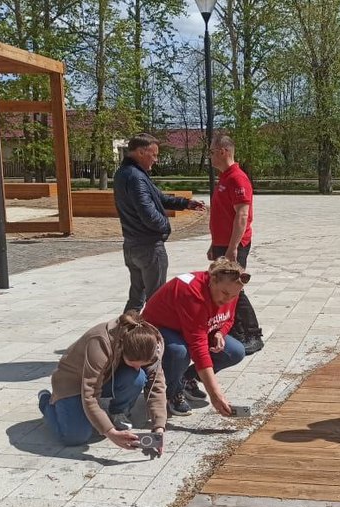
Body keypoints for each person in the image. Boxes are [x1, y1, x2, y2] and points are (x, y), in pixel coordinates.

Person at [37, 311, 167, 452]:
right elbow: (90, 394)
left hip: (106, 377)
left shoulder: (152, 344)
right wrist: (110, 432)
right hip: (72, 382)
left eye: (142, 364)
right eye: (132, 362)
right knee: (75, 437)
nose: (137, 367)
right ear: (122, 348)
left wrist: (158, 427)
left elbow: (157, 385)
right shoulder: (99, 342)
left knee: (138, 377)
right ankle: (46, 401)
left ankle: (117, 411)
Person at [141, 258, 248, 416]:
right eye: (225, 293)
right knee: (179, 352)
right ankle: (171, 391)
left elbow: (229, 317)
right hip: (159, 327)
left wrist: (220, 332)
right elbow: (199, 348)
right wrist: (215, 395)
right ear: (212, 280)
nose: (228, 299)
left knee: (235, 351)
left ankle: (185, 378)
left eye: (233, 296)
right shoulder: (192, 293)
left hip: (192, 326)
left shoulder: (232, 289)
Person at [113, 133, 206, 313]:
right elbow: (148, 215)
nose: (156, 160)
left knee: (136, 298)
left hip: (132, 246)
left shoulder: (126, 173)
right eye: (154, 155)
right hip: (149, 248)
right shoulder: (136, 177)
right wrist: (165, 227)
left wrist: (185, 203)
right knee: (157, 300)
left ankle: (124, 336)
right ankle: (151, 339)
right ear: (141, 152)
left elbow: (158, 198)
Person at [206, 134, 264, 355]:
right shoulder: (225, 177)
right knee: (223, 288)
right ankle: (237, 331)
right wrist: (215, 244)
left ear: (223, 151)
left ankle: (253, 334)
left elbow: (242, 216)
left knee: (234, 289)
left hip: (234, 246)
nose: (210, 156)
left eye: (212, 151)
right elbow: (222, 215)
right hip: (223, 245)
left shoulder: (238, 178)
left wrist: (232, 248)